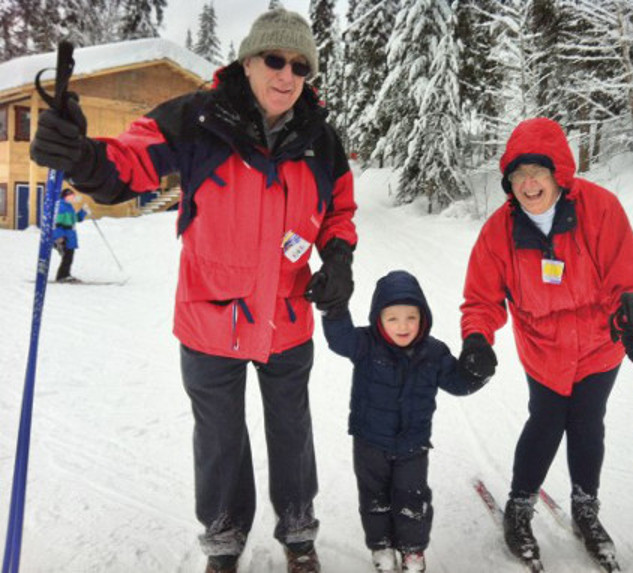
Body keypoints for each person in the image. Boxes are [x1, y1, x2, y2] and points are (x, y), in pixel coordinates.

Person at [30, 8, 357, 573]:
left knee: (291, 429)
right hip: (212, 315)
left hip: (287, 315)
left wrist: (340, 256)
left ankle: (298, 531)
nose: (286, 75)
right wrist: (82, 155)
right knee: (220, 437)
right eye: (274, 60)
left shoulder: (321, 140)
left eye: (300, 66)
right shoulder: (198, 119)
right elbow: (130, 163)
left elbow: (340, 212)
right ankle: (225, 538)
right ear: (249, 61)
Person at [458, 118, 633, 568]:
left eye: (538, 172)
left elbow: (630, 279)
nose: (529, 183)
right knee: (547, 420)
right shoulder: (499, 232)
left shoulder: (599, 209)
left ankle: (586, 508)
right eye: (518, 175)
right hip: (544, 349)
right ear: (509, 182)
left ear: (558, 174)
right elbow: (481, 298)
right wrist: (476, 338)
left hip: (598, 346)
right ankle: (520, 505)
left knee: (588, 421)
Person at [320, 270, 490, 573]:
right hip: (370, 441)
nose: (403, 326)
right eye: (393, 318)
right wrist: (334, 307)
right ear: (379, 319)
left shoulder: (434, 352)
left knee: (412, 498)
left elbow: (458, 383)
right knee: (374, 498)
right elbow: (339, 339)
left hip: (412, 443)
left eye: (411, 317)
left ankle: (412, 550)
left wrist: (478, 372)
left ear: (423, 317)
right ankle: (381, 545)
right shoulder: (365, 345)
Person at [52, 187, 89, 282]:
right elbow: (57, 223)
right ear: (65, 197)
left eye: (73, 196)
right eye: (70, 196)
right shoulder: (61, 206)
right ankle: (62, 276)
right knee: (67, 256)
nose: (72, 198)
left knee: (69, 256)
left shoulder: (69, 206)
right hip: (64, 236)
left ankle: (65, 274)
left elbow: (76, 219)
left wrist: (83, 211)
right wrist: (59, 237)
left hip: (70, 235)